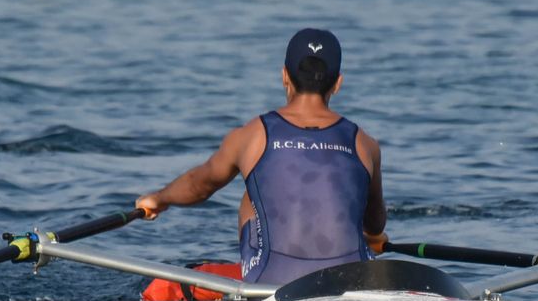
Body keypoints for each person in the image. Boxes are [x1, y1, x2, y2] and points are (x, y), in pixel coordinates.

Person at [134, 28, 387, 285]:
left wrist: (159, 199)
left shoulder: (251, 136)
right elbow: (375, 223)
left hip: (273, 282)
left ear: (285, 76)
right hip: (355, 282)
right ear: (338, 83)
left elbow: (200, 186)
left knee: (254, 189)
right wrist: (373, 236)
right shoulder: (365, 144)